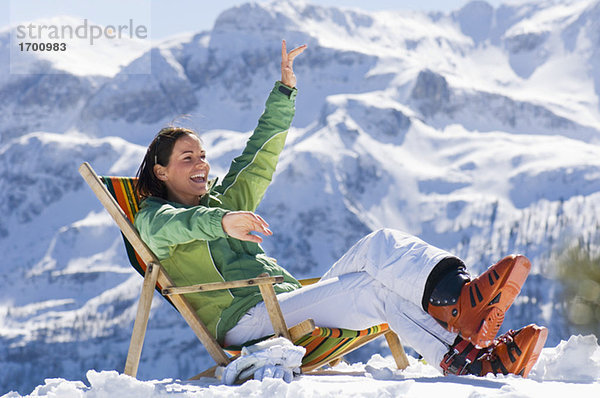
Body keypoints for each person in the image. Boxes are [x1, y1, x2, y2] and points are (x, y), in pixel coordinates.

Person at [134, 40, 547, 380]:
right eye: (187, 159)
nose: (201, 165)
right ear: (161, 171)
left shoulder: (223, 201)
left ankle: (462, 322)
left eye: (202, 156)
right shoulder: (152, 219)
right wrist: (223, 221)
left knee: (379, 244)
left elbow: (258, 157)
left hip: (285, 303)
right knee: (375, 288)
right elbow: (180, 225)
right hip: (249, 323)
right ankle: (464, 328)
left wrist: (284, 90)